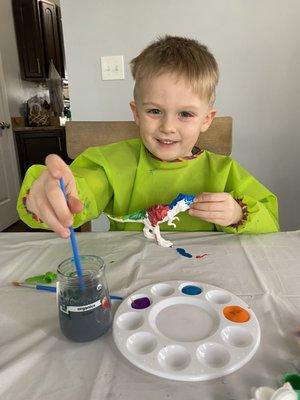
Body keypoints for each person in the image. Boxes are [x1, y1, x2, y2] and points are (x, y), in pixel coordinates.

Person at [17, 35, 279, 238]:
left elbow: (270, 222)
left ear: (206, 120)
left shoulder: (224, 172)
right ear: (137, 113)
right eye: (155, 111)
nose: (168, 127)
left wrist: (237, 213)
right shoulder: (110, 163)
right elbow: (84, 189)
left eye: (185, 114)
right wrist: (53, 194)